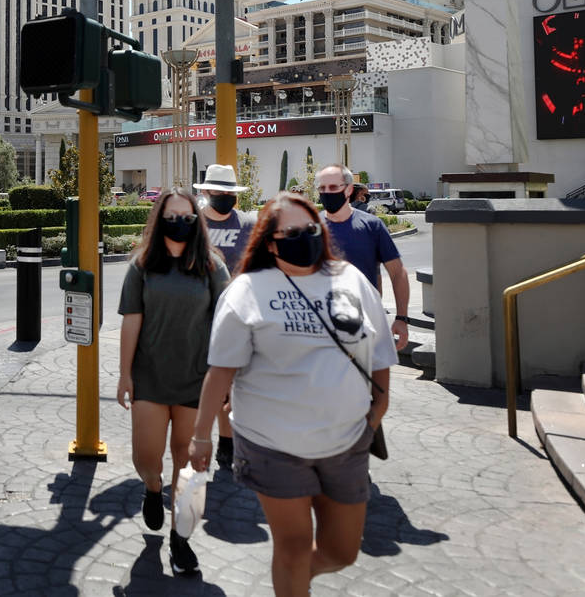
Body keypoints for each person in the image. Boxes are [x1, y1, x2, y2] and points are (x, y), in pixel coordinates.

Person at [188, 192, 398, 596]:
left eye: (311, 229)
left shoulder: (351, 279)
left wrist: (377, 411)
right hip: (272, 445)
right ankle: (293, 580)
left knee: (342, 551)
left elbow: (379, 353)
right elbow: (220, 371)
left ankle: (296, 578)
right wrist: (201, 435)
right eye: (293, 232)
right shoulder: (246, 289)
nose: (306, 236)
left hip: (347, 441)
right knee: (294, 545)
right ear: (270, 242)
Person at [117, 188, 230, 575]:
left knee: (191, 465)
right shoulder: (142, 265)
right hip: (149, 378)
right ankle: (152, 489)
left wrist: (227, 381)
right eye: (171, 215)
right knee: (146, 458)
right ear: (158, 219)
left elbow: (225, 325)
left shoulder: (213, 267)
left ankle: (180, 540)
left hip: (197, 381)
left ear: (196, 221)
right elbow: (131, 320)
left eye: (186, 216)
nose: (179, 222)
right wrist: (123, 374)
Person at [193, 163, 256, 469]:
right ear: (206, 192)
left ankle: (231, 441)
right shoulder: (194, 225)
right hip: (199, 315)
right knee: (210, 382)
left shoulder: (248, 223)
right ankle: (210, 439)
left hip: (239, 313)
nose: (224, 197)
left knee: (237, 382)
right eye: (218, 191)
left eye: (228, 192)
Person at [317, 164, 410, 350]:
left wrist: (401, 318)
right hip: (319, 327)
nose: (327, 193)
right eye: (322, 188)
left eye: (334, 187)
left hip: (365, 325)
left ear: (349, 189)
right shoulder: (310, 227)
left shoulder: (372, 226)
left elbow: (397, 272)